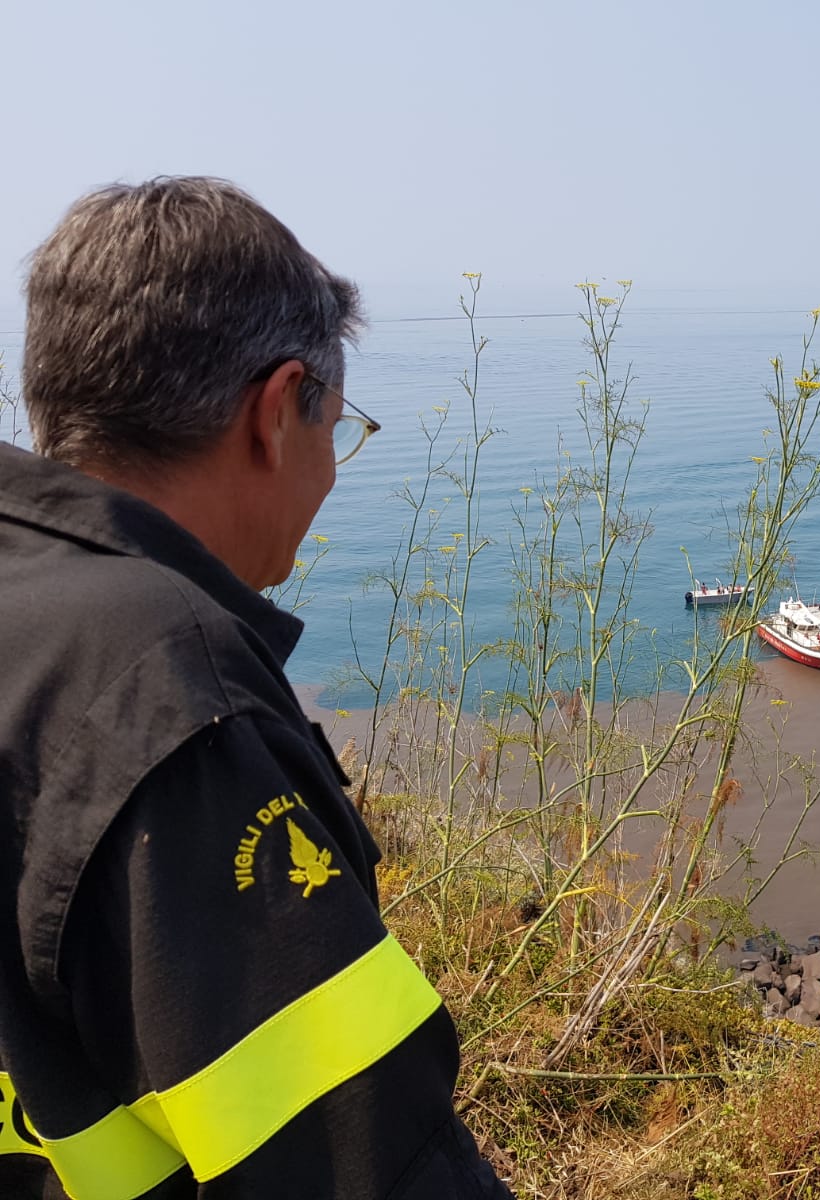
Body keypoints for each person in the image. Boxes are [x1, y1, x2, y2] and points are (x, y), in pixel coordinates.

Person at [0, 178, 510, 1198]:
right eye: (337, 425)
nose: (329, 469)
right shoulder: (166, 695)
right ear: (278, 412)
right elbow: (359, 1161)